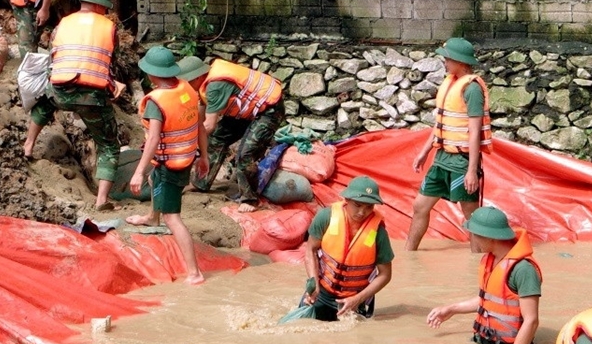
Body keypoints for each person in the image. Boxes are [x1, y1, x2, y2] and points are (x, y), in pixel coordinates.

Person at [25, 0, 123, 209]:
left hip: (60, 90)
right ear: (100, 6)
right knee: (108, 145)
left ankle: (28, 146)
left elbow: (54, 54)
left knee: (44, 104)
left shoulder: (63, 23)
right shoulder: (109, 27)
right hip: (92, 97)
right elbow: (111, 59)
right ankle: (101, 200)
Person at [130, 46, 210, 285]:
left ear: (152, 75)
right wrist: (204, 156)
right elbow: (199, 126)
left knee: (173, 218)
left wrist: (137, 172)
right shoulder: (186, 89)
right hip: (185, 157)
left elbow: (153, 139)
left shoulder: (157, 102)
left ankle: (194, 273)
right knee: (155, 180)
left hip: (170, 164)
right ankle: (151, 217)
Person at [425, 206, 541, 344]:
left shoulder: (523, 269)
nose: (471, 239)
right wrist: (452, 309)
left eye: (474, 235)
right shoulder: (490, 259)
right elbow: (488, 300)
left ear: (490, 237)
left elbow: (531, 320)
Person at [406, 37, 488, 250]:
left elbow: (474, 132)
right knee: (419, 206)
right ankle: (408, 254)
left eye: (448, 58)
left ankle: (477, 260)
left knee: (471, 214)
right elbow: (442, 124)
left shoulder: (472, 89)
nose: (445, 62)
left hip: (462, 161)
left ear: (461, 62)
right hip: (442, 158)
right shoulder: (450, 82)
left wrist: (472, 171)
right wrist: (424, 152)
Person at [178, 55, 285, 204]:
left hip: (269, 109)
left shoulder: (215, 86)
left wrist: (187, 144)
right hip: (247, 109)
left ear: (196, 78)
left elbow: (208, 125)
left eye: (185, 82)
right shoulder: (205, 83)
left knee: (245, 153)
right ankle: (200, 182)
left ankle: (250, 199)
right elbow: (200, 119)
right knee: (216, 138)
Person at [298, 176, 395, 321]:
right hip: (322, 293)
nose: (362, 212)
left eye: (369, 207)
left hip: (354, 301)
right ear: (347, 200)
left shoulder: (378, 233)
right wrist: (314, 284)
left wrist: (358, 299)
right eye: (357, 205)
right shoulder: (326, 217)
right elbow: (310, 249)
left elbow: (385, 275)